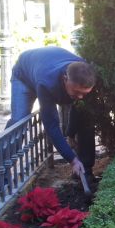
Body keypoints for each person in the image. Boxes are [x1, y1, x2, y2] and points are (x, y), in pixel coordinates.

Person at [7, 46, 96, 178]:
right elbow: (51, 125)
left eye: (84, 93)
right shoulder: (47, 83)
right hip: (24, 74)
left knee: (84, 115)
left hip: (44, 64)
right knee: (18, 124)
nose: (81, 96)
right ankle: (0, 178)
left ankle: (86, 171)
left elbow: (79, 110)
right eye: (76, 92)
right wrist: (72, 160)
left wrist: (70, 134)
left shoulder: (85, 74)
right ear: (65, 79)